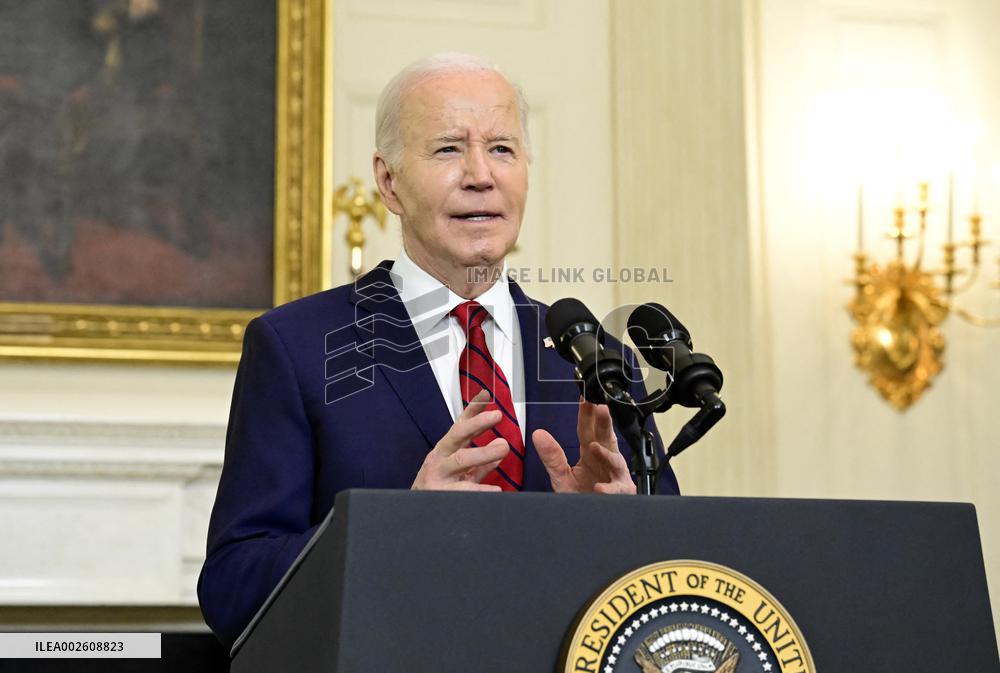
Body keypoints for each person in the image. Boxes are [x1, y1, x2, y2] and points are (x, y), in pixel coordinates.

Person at [198, 53, 679, 649]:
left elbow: (670, 582)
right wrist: (394, 530)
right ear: (389, 181)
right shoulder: (297, 346)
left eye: (502, 149)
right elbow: (231, 587)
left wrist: (612, 528)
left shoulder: (596, 360)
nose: (481, 174)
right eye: (449, 148)